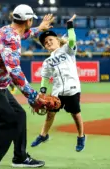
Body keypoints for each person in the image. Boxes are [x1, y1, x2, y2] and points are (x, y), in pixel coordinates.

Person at [0, 4, 55, 169]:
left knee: (19, 115)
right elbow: (15, 72)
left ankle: (20, 158)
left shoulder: (8, 30)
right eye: (31, 20)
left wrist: (40, 28)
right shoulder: (10, 39)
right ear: (28, 20)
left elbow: (24, 34)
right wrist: (33, 96)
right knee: (8, 123)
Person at [30, 14, 86, 152]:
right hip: (57, 91)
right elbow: (45, 77)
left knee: (75, 113)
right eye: (45, 42)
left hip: (72, 89)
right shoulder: (47, 61)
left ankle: (81, 136)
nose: (48, 42)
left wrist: (70, 26)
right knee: (50, 114)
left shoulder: (67, 50)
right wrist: (42, 91)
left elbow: (72, 40)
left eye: (50, 39)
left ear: (57, 40)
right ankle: (43, 135)